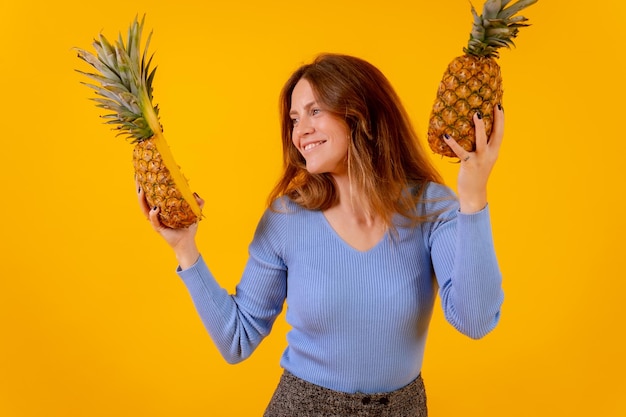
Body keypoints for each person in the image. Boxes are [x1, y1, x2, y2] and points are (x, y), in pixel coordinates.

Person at [137, 53, 504, 417]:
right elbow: (237, 339)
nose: (300, 131)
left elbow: (475, 319)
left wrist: (472, 197)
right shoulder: (286, 218)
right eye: (295, 119)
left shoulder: (431, 208)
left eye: (315, 111)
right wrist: (185, 248)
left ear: (360, 114)